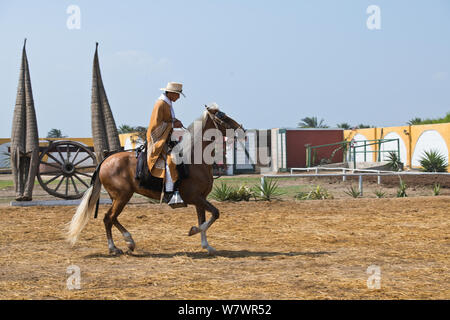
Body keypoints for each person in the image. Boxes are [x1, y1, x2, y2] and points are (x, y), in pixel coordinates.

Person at [146, 82, 185, 207]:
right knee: (171, 161)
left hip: (166, 137)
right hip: (158, 139)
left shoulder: (168, 104)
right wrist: (173, 125)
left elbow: (166, 120)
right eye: (177, 95)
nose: (178, 98)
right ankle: (169, 192)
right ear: (171, 93)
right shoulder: (160, 104)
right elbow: (156, 126)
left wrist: (174, 121)